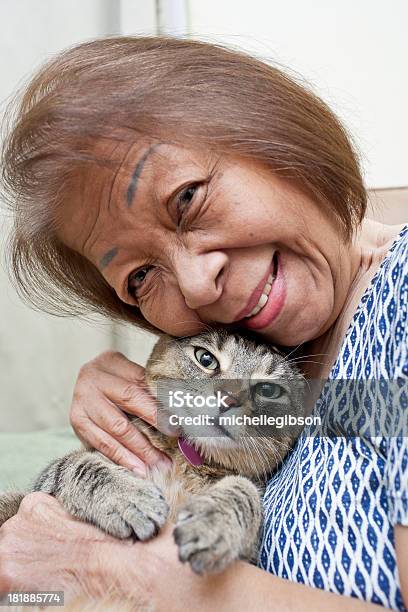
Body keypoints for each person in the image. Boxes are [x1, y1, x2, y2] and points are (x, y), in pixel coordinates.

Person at [0, 36, 406, 610]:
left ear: (264, 127)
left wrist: (119, 575)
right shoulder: (286, 346)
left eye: (187, 198)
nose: (194, 286)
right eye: (139, 278)